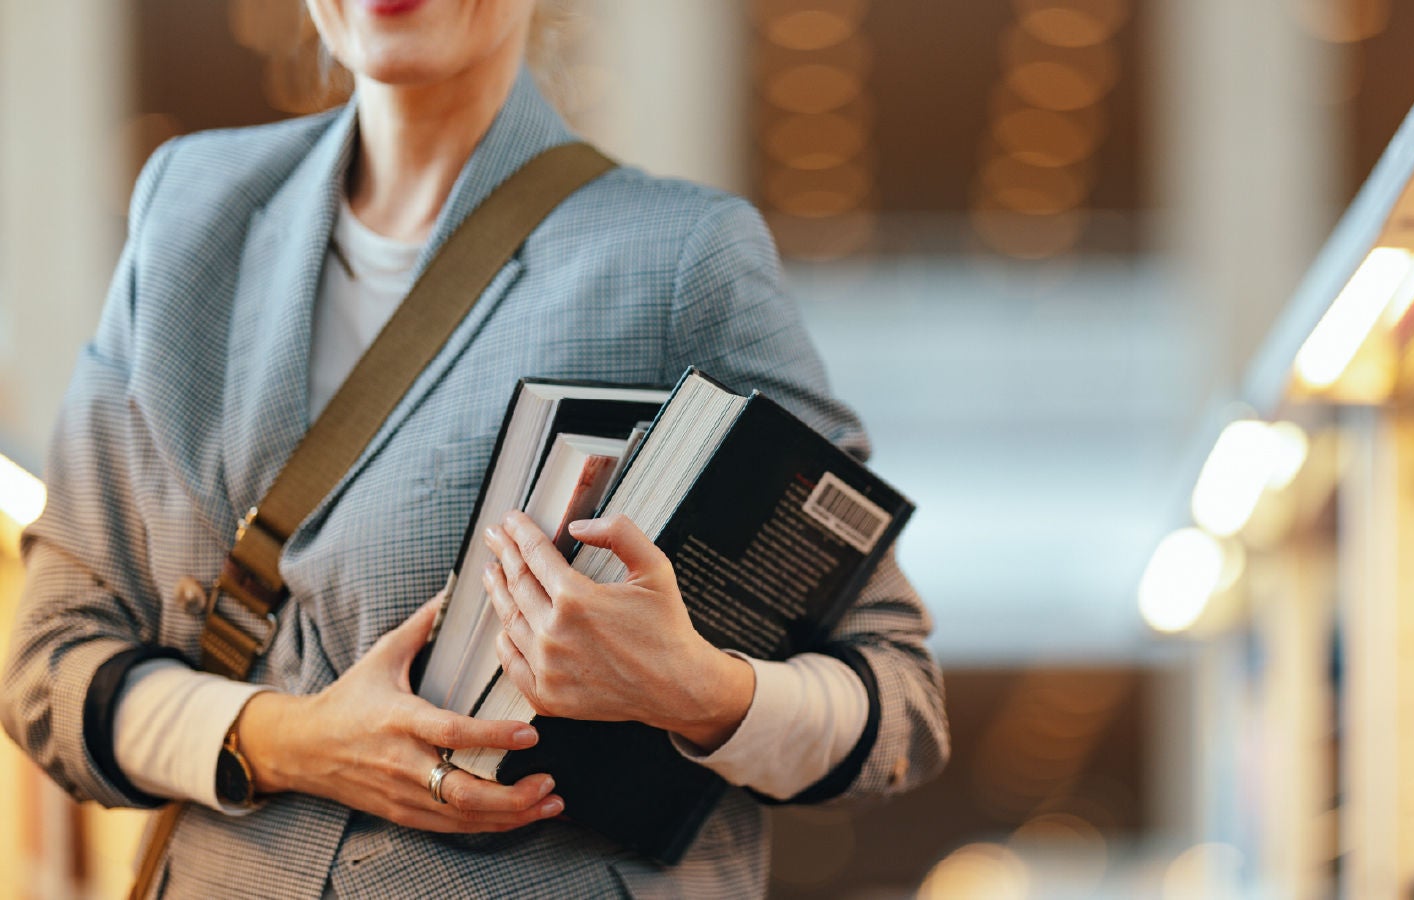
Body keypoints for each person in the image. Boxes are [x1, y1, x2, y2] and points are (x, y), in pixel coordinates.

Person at [0, 0, 948, 897]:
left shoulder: (677, 260)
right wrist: (288, 739)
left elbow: (897, 698)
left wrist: (696, 689)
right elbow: (50, 663)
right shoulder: (188, 213)